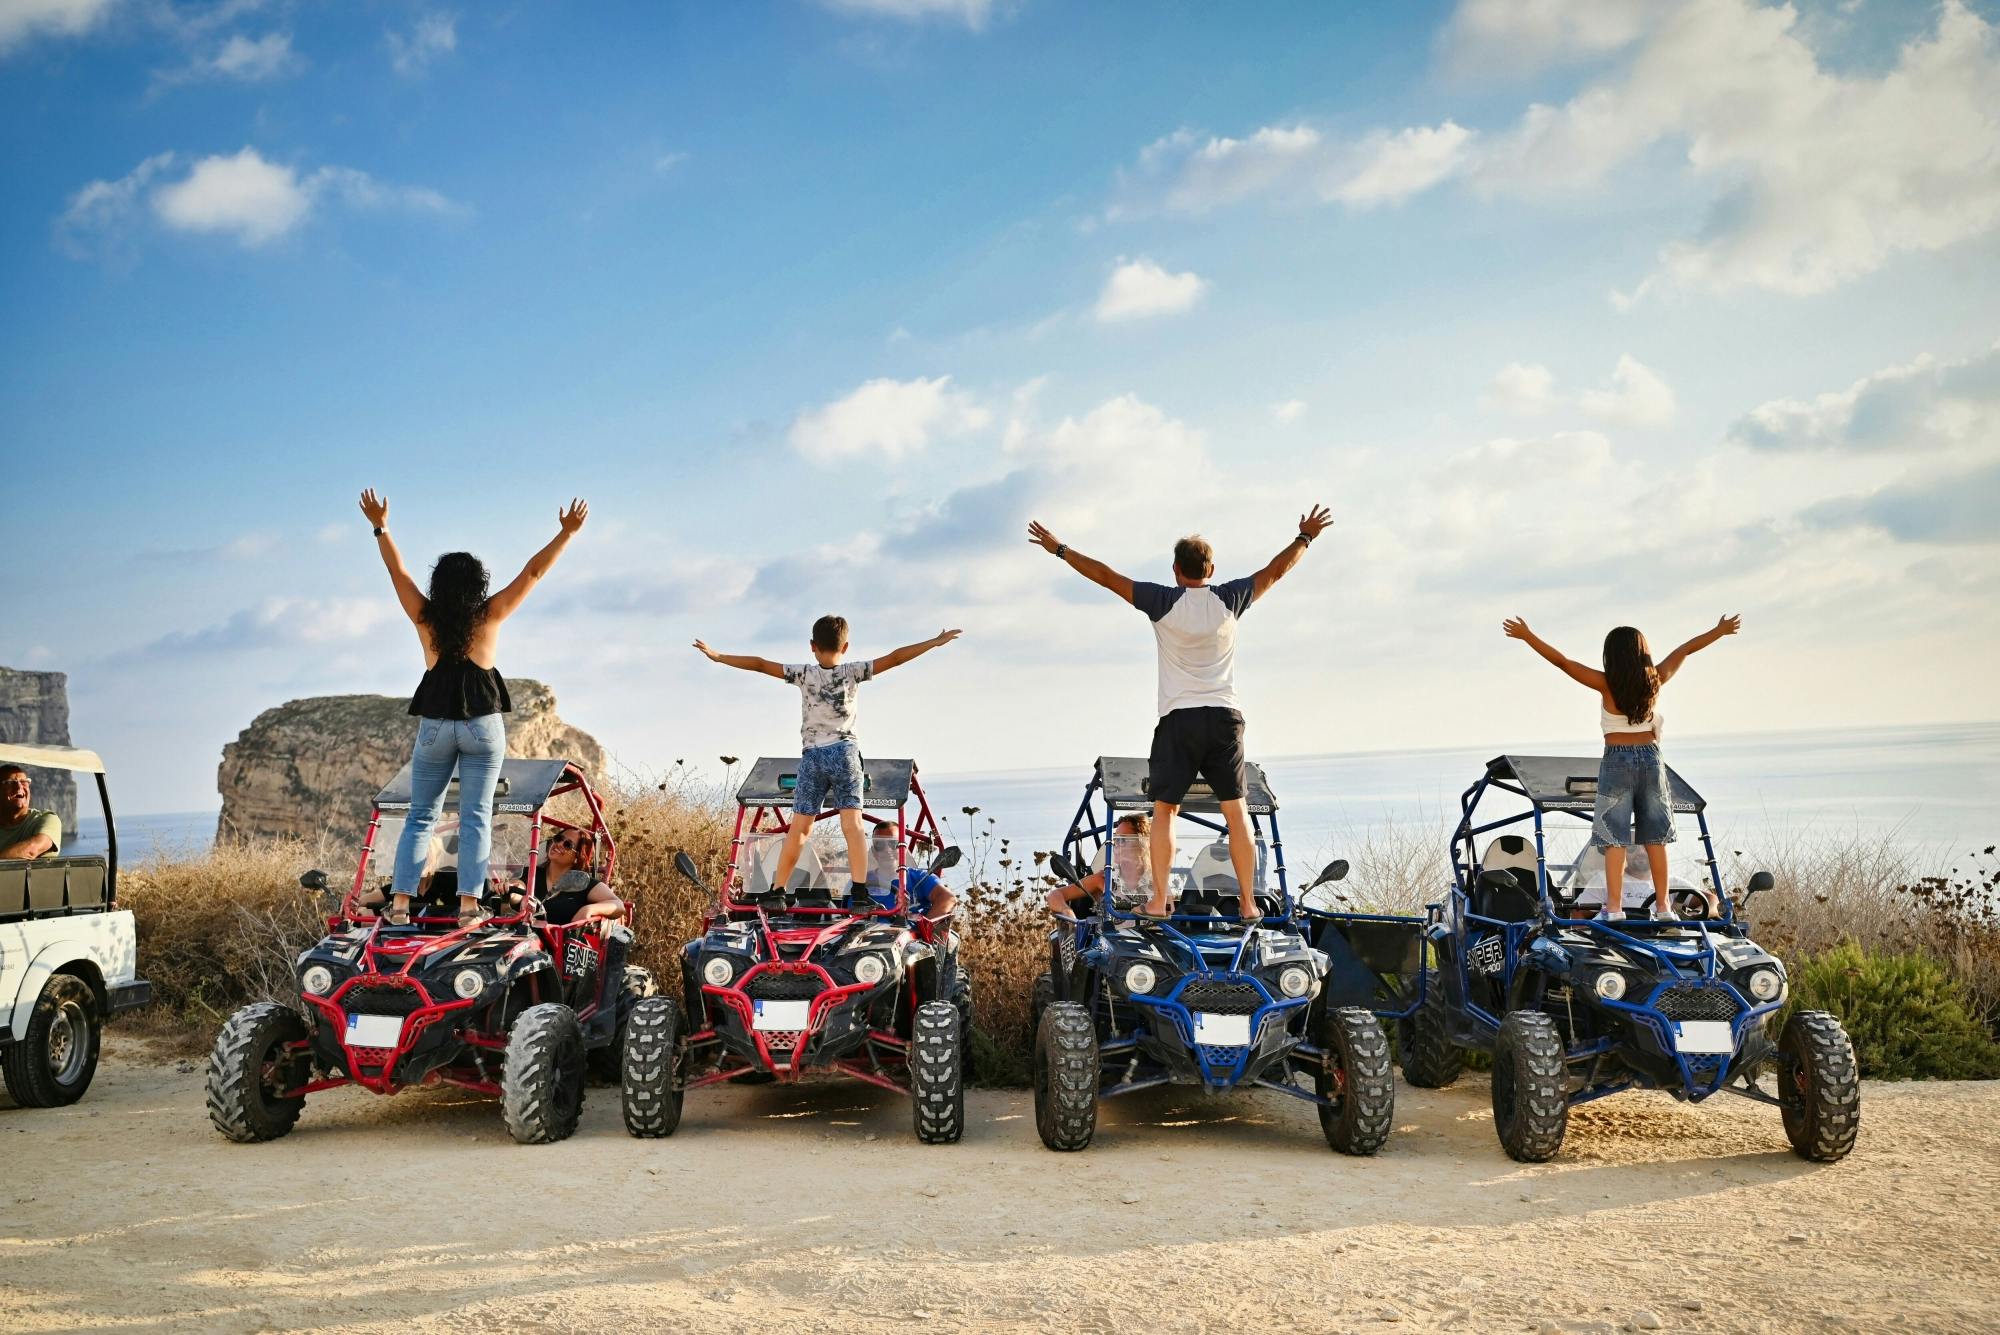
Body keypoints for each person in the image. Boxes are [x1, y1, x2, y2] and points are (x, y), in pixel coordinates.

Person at [1028, 506, 1332, 921]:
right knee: (1236, 809)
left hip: (1179, 720)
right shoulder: (1230, 598)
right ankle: (1247, 904)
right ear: (1211, 568)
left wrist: (1060, 549)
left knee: (1166, 810)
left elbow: (1106, 576)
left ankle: (1157, 902)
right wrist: (1305, 538)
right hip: (1225, 718)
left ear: (1176, 570)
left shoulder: (1163, 601)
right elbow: (1275, 572)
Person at [360, 487, 587, 929]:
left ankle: (402, 903)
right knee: (476, 816)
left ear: (439, 585)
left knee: (422, 815)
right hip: (482, 725)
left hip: (435, 727)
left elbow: (396, 571)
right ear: (477, 585)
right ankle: (469, 906)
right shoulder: (490, 614)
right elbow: (534, 573)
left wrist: (380, 527)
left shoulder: (423, 617)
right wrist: (566, 534)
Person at [694, 616, 960, 909]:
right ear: (845, 646)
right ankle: (859, 892)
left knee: (799, 828)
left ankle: (778, 891)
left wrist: (718, 657)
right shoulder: (854, 672)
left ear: (812, 646)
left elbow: (758, 663)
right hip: (844, 754)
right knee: (853, 825)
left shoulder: (803, 674)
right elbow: (896, 658)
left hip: (813, 757)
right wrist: (934, 643)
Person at [1503, 614, 1740, 919]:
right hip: (1652, 760)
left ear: (1611, 656)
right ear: (1642, 652)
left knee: (1614, 837)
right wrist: (1719, 631)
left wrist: (1528, 635)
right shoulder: (1655, 679)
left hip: (1617, 759)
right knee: (1656, 837)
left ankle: (1613, 908)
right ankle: (1664, 907)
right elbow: (1685, 650)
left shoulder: (1605, 683)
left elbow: (1563, 662)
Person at [1045, 814, 1151, 918]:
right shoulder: (1104, 878)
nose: (1116, 844)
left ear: (1141, 844)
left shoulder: (1158, 882)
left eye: (1122, 840)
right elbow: (1054, 895)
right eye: (1115, 839)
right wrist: (1067, 911)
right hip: (1111, 935)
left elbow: (1167, 911)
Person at [516, 827, 624, 928]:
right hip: (519, 941)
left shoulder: (582, 883)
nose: (559, 844)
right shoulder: (531, 873)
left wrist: (588, 909)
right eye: (558, 839)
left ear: (577, 857)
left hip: (556, 946)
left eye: (567, 844)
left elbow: (618, 905)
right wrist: (509, 888)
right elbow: (516, 888)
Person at [869, 829, 956, 918]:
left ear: (904, 849)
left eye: (893, 844)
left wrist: (925, 927)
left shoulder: (919, 877)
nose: (887, 850)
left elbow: (948, 898)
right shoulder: (862, 882)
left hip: (909, 930)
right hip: (869, 930)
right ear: (873, 851)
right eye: (879, 845)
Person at [0, 764, 61, 859]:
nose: (19, 787)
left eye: (24, 782)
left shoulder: (46, 819)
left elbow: (31, 850)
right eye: (10, 783)